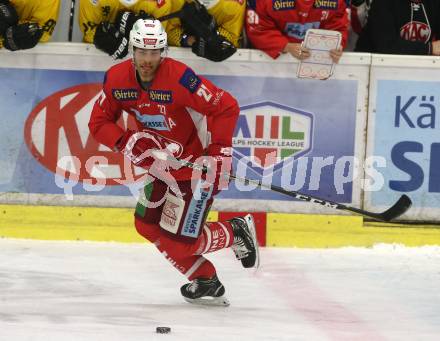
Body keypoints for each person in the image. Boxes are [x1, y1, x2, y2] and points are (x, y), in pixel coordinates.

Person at [88, 18, 259, 306]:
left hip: (195, 172)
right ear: (133, 49)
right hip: (158, 171)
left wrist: (219, 153)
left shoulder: (180, 79)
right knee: (146, 226)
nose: (147, 60)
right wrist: (127, 142)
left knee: (181, 242)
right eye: (142, 51)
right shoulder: (117, 79)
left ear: (163, 52)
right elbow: (99, 121)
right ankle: (205, 279)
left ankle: (234, 230)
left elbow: (225, 106)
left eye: (154, 53)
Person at [245, 0, 349, 63]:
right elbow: (259, 29)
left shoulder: (338, 2)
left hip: (319, 65)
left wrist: (336, 45)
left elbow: (338, 27)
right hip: (272, 65)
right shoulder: (265, 2)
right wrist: (286, 46)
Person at [78, 0, 173, 59]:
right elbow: (89, 32)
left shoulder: (161, 3)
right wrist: (107, 40)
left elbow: (157, 42)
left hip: (142, 67)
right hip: (94, 60)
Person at [355, 0, 440, 55]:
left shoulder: (435, 3)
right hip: (372, 69)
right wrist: (430, 48)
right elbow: (386, 46)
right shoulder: (383, 3)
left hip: (417, 68)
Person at [166, 0, 240, 61]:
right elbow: (167, 31)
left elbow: (232, 35)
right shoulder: (175, 2)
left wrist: (210, 37)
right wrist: (187, 39)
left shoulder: (233, 5)